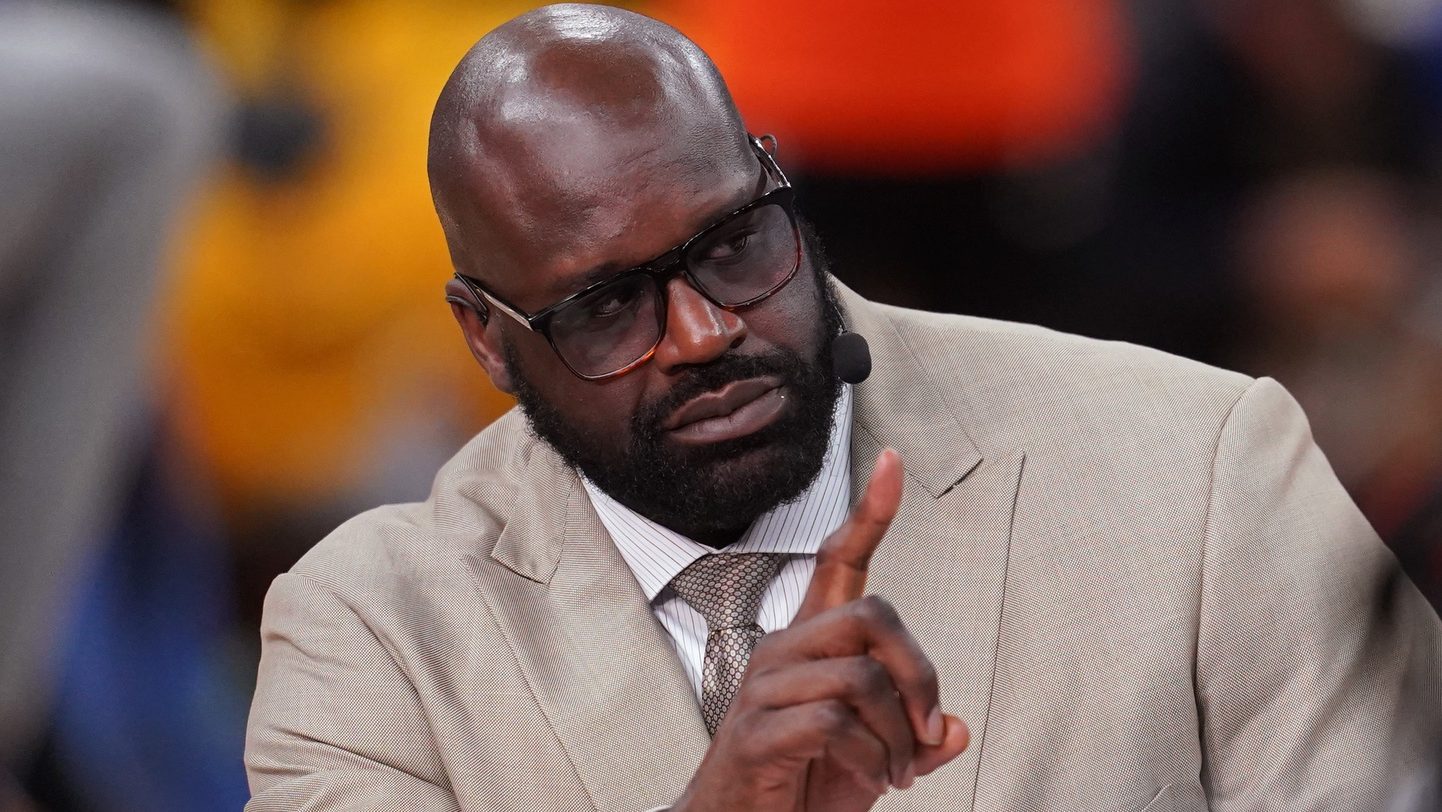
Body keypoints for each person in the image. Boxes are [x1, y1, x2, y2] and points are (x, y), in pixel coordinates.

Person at [244, 4, 1442, 810]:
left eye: (730, 244)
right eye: (609, 306)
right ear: (485, 336)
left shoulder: (1204, 467)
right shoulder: (368, 633)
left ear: (776, 182)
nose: (705, 333)